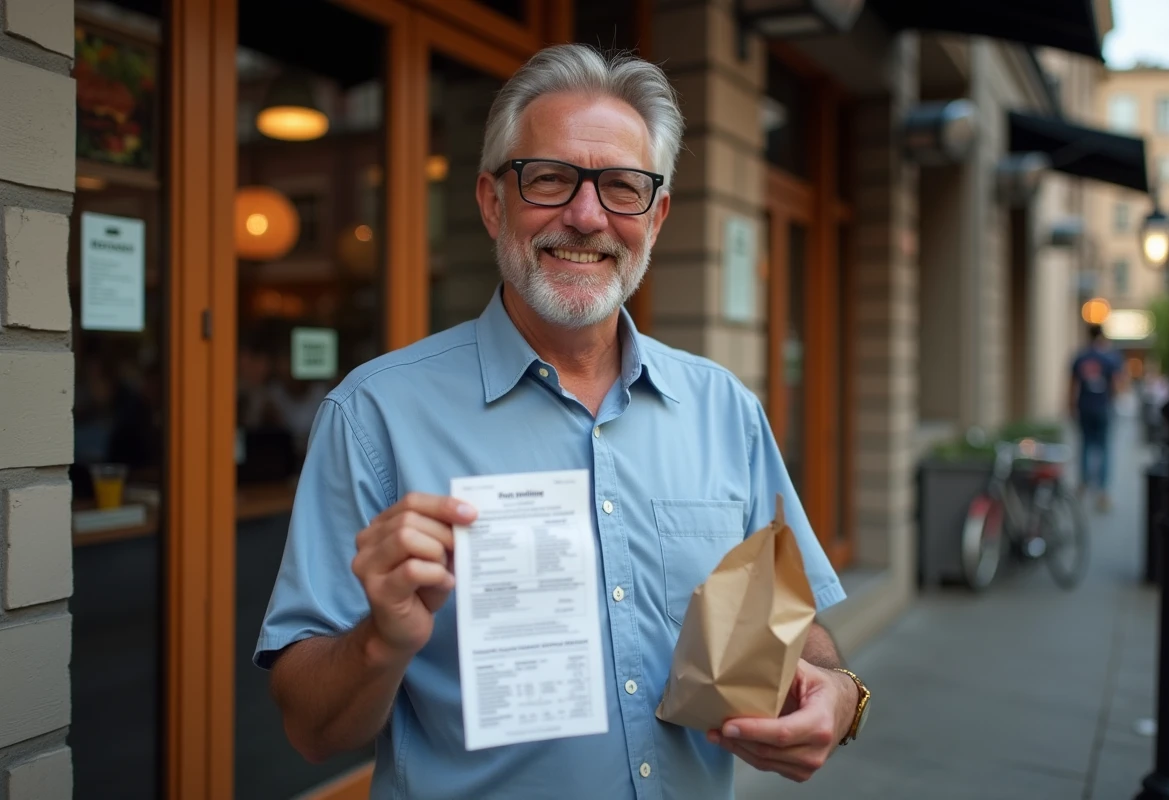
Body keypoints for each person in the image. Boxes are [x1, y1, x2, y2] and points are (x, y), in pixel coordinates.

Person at [255, 44, 865, 799]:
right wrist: (381, 642)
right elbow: (312, 732)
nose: (586, 216)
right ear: (490, 202)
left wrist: (837, 693)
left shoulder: (724, 411)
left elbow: (786, 624)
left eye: (621, 187)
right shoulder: (374, 416)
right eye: (549, 179)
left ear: (658, 214)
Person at [1068, 324, 1127, 511]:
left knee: (1085, 446)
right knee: (1105, 449)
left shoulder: (1080, 356)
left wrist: (1071, 406)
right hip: (1104, 408)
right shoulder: (1110, 357)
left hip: (1085, 407)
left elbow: (1072, 385)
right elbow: (1118, 385)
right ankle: (1103, 493)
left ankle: (1083, 485)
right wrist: (1117, 400)